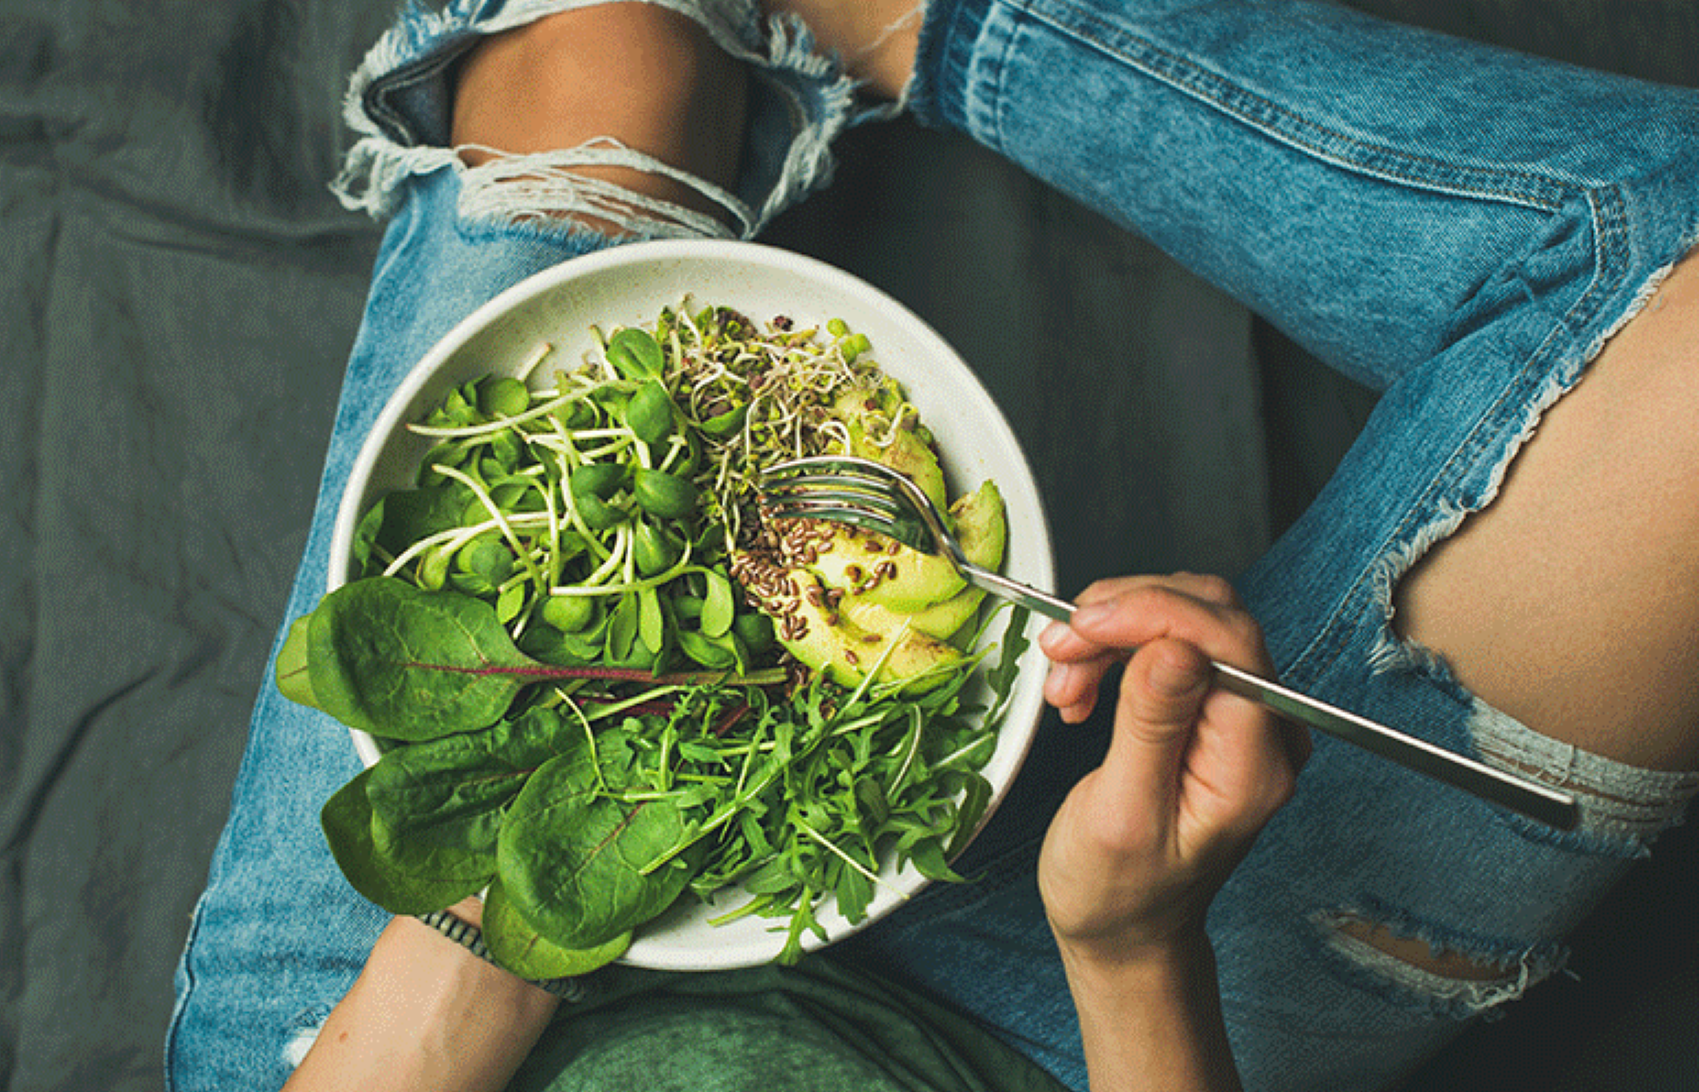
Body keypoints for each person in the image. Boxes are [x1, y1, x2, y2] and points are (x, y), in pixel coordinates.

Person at [166, 2, 1699, 1090]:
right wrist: (1130, 949)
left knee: (601, 44)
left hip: (410, 1031)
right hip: (1044, 1038)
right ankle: (940, 20)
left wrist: (518, 871)